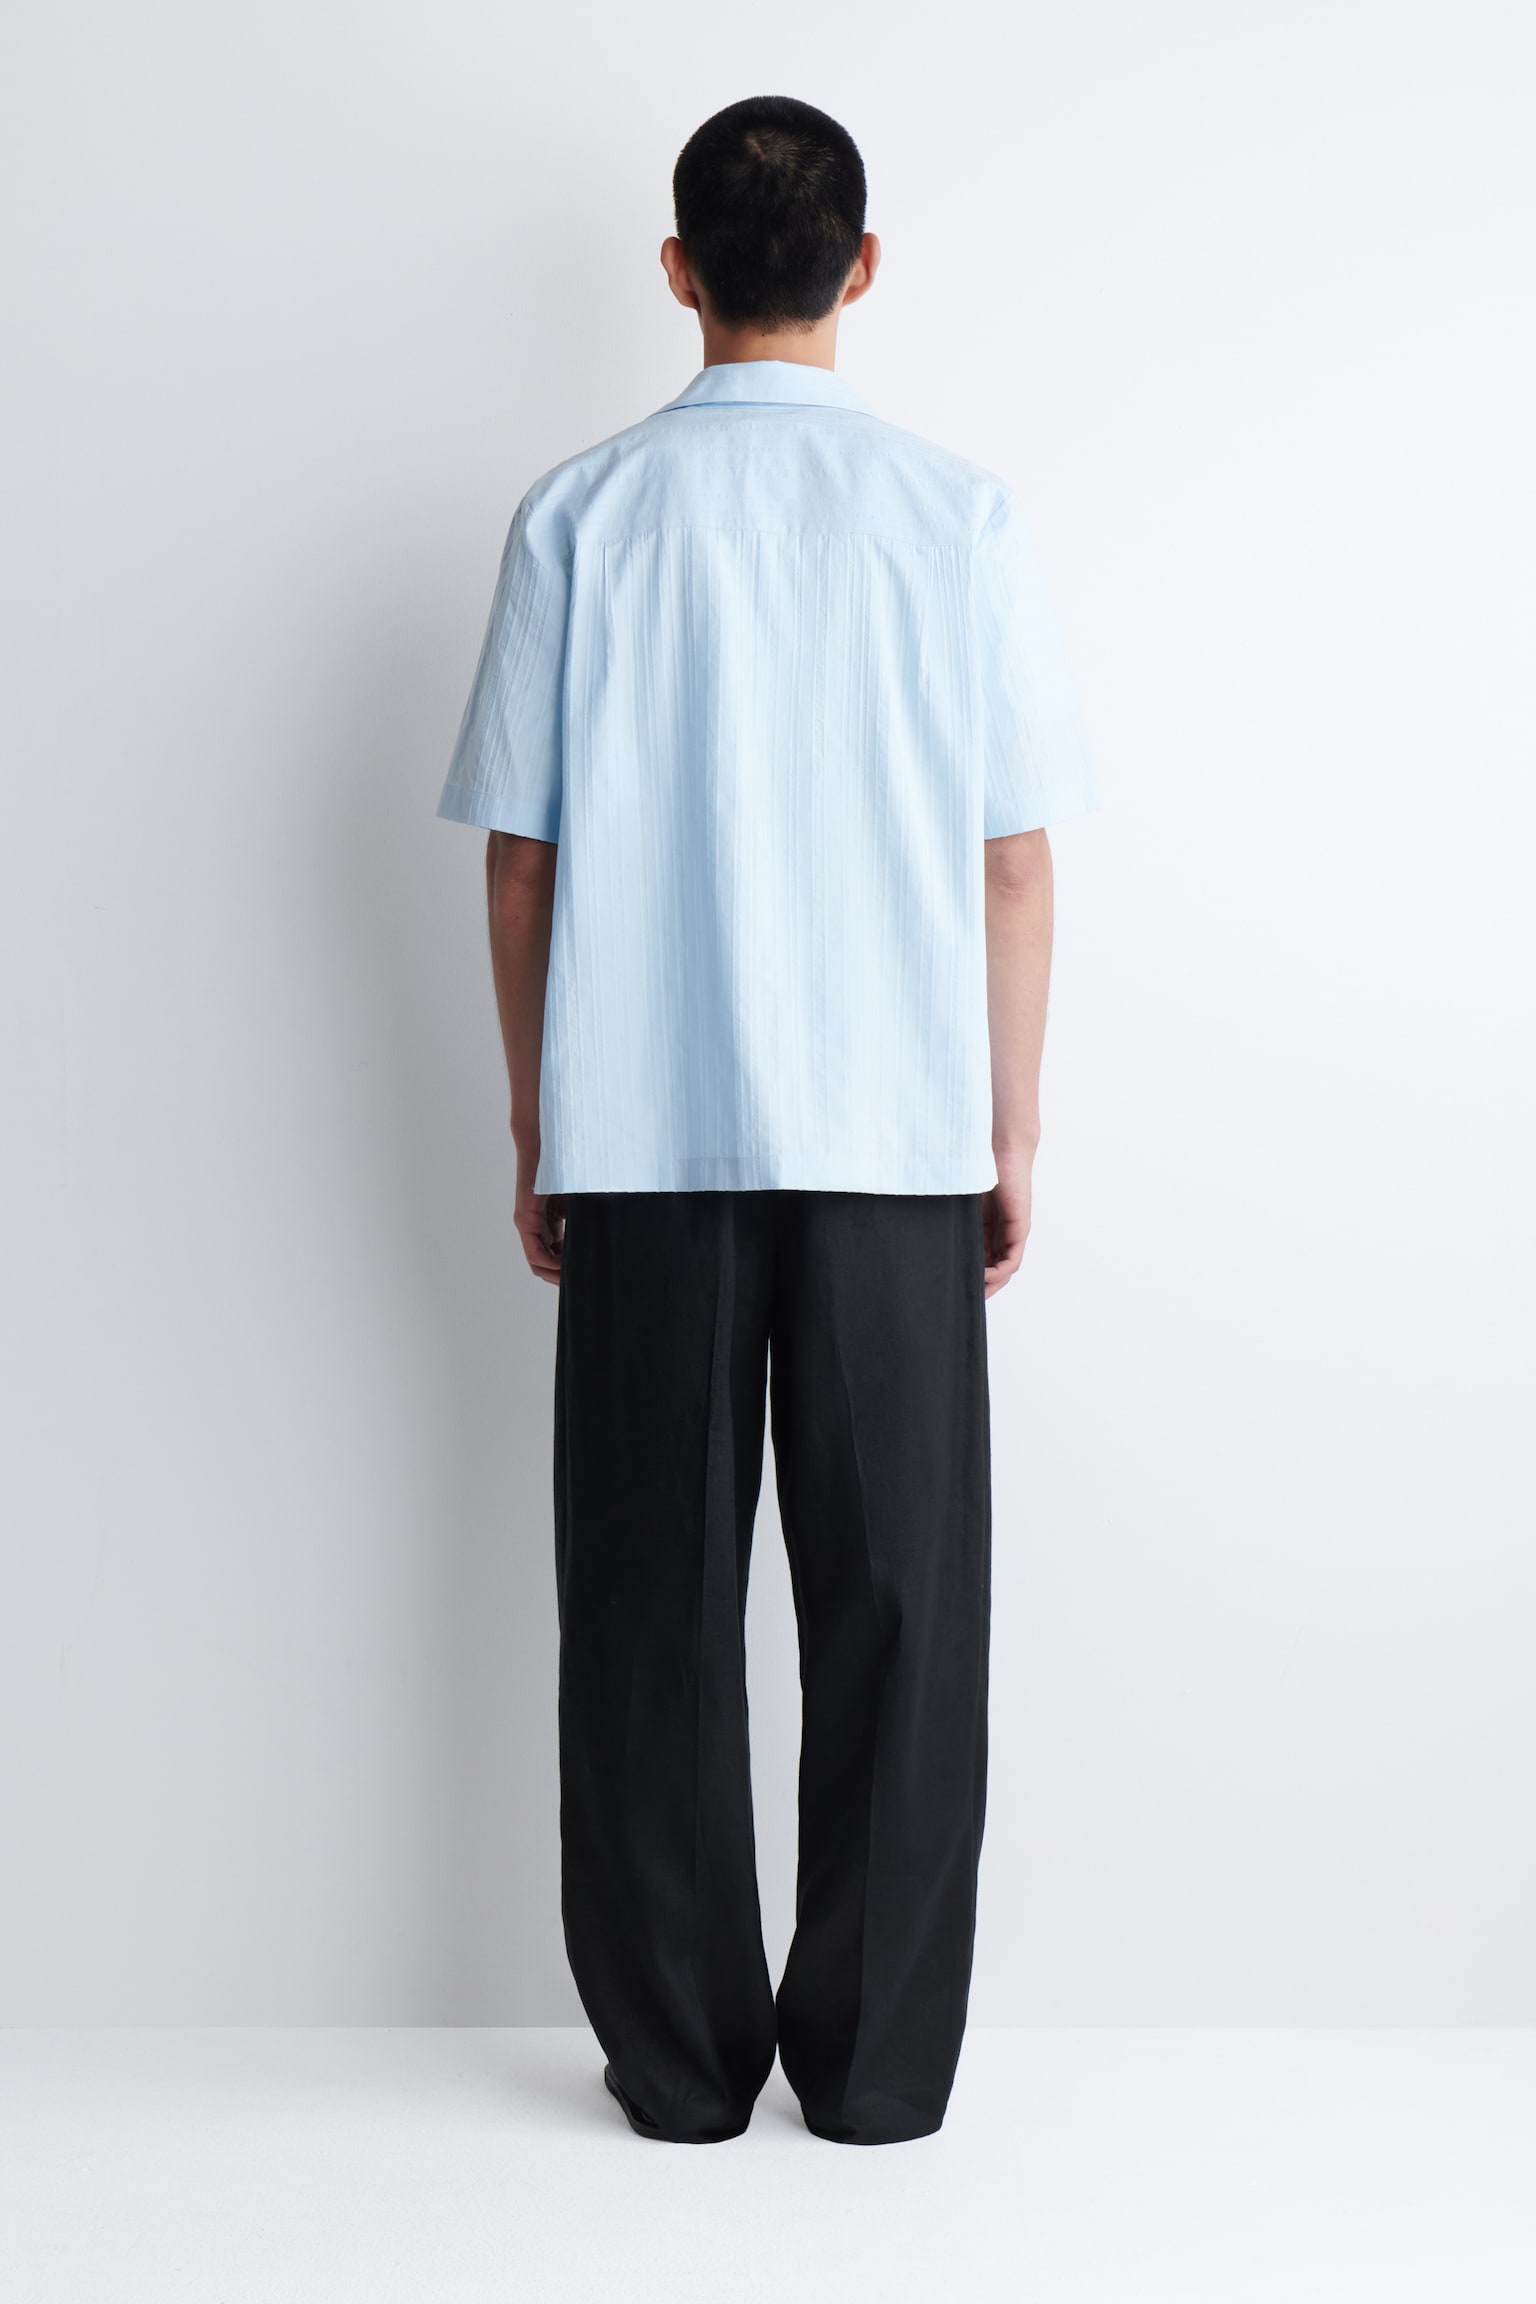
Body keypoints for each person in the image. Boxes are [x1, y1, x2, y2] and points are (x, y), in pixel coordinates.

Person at [436, 94, 1098, 2146]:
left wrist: (537, 1116)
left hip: (650, 1137)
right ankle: (880, 2072)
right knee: (902, 1611)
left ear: (678, 270)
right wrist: (1011, 1126)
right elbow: (1012, 859)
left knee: (648, 1608)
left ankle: (678, 2065)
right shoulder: (957, 516)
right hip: (897, 1141)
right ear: (863, 269)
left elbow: (523, 864)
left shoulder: (580, 514)